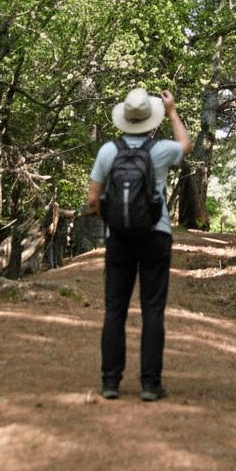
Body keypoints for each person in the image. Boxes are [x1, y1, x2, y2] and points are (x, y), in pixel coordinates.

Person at [87, 87, 191, 402]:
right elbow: (186, 146)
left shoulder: (108, 151)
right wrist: (173, 111)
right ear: (150, 119)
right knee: (153, 309)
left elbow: (93, 198)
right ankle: (150, 384)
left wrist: (112, 224)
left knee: (115, 309)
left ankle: (109, 382)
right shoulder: (161, 150)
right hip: (155, 236)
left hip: (118, 238)